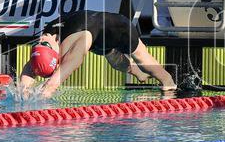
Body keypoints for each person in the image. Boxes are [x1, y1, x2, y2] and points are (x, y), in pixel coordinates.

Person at [19, 10, 176, 98]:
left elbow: (55, 82)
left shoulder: (76, 45)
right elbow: (32, 66)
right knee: (114, 60)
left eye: (43, 43)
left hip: (120, 29)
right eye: (42, 44)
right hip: (97, 36)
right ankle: (139, 74)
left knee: (142, 59)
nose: (41, 40)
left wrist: (44, 93)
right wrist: (23, 92)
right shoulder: (48, 39)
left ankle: (168, 80)